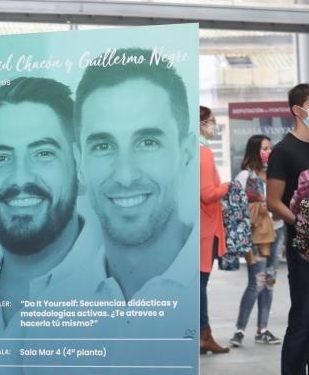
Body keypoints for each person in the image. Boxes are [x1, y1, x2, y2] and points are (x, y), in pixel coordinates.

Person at [75, 49, 198, 339]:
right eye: (103, 146)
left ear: (186, 152)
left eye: (147, 142)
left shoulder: (199, 288)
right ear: (78, 162)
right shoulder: (50, 303)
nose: (125, 175)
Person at [0, 77, 95, 337]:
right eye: (1, 158)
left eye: (43, 154)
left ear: (79, 168)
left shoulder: (125, 292)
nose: (20, 178)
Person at [266, 82, 309, 375]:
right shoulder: (284, 152)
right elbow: (272, 202)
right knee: (303, 319)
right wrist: (301, 220)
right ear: (299, 110)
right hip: (302, 248)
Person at [230, 135, 281, 347]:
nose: (268, 152)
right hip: (255, 238)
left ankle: (263, 329)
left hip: (276, 233)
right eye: (264, 148)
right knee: (256, 282)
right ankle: (239, 330)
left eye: (270, 148)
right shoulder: (244, 176)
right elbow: (235, 207)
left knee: (269, 282)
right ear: (254, 151)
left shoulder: (274, 174)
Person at [195, 106, 230, 354]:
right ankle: (204, 335)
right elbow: (208, 194)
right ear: (200, 124)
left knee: (196, 284)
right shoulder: (203, 153)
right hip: (205, 229)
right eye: (211, 122)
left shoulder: (184, 151)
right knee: (200, 284)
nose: (214, 127)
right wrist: (227, 187)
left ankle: (201, 333)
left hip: (193, 227)